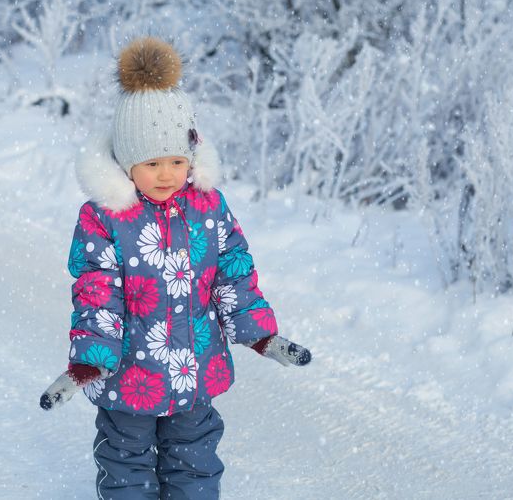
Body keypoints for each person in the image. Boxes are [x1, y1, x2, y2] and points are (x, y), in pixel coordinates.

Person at [39, 37, 311, 499]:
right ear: (127, 162)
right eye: (151, 163)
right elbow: (97, 292)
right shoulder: (105, 217)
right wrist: (88, 363)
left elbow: (234, 274)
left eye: (177, 161)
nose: (167, 174)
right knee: (125, 462)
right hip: (129, 376)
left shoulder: (209, 206)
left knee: (196, 462)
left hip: (196, 369)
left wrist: (261, 335)